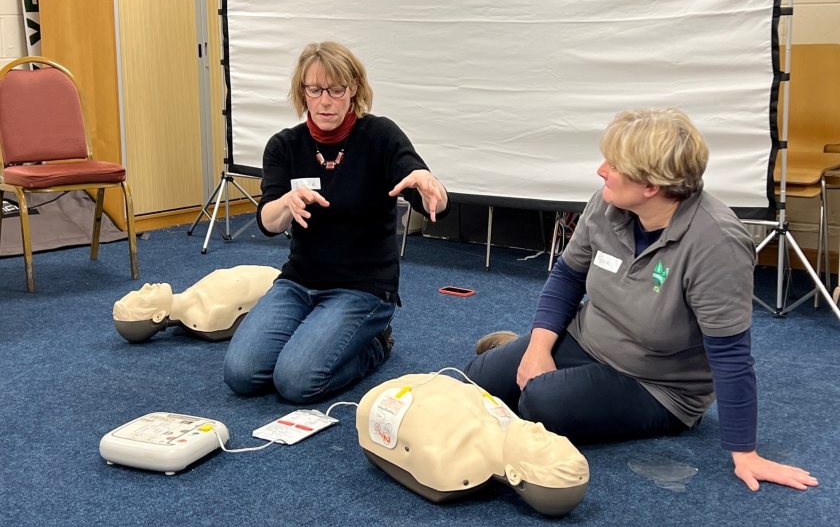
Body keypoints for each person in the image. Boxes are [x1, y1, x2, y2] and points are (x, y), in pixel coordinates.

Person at [465, 108, 818, 492]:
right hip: (589, 339)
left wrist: (745, 452)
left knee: (540, 403)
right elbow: (568, 277)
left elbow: (730, 354)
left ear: (651, 185)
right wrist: (537, 348)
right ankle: (525, 350)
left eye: (614, 164)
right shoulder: (608, 203)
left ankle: (543, 372)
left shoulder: (716, 243)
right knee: (475, 381)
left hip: (657, 384)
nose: (601, 170)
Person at [223, 41, 449, 403]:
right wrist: (286, 202)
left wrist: (431, 185)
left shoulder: (379, 136)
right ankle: (318, 334)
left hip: (363, 288)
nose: (325, 101)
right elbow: (268, 222)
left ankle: (376, 343)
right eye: (314, 90)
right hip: (300, 283)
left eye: (336, 90)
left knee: (295, 382)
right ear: (303, 92)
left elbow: (423, 186)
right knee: (241, 374)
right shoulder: (284, 146)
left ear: (353, 89)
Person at [356, 372, 589, 516]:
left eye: (542, 444)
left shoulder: (448, 463)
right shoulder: (505, 418)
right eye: (553, 436)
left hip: (382, 399)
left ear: (516, 476)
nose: (538, 427)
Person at [112, 266, 281, 342]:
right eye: (143, 297)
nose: (146, 286)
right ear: (158, 316)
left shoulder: (193, 293)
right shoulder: (209, 316)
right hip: (285, 287)